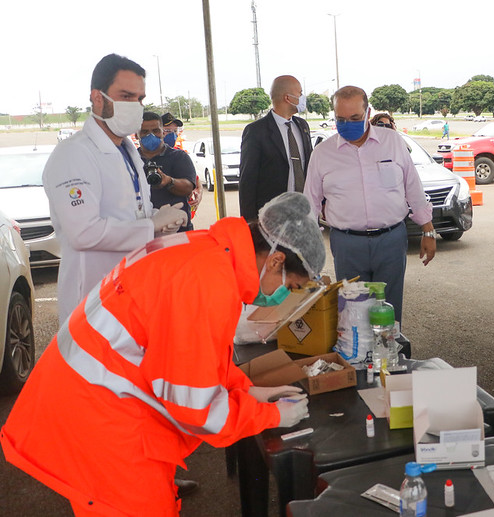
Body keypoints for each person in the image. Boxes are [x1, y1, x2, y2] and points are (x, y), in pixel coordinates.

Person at [0, 192, 324, 516]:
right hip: (101, 418)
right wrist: (272, 416)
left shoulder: (207, 250)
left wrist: (247, 389)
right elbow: (196, 410)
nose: (283, 296)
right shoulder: (207, 283)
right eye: (292, 286)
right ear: (276, 261)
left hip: (95, 395)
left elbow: (193, 355)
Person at [42, 53, 187, 326]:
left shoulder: (127, 150)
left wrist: (157, 218)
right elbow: (84, 233)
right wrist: (150, 227)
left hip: (130, 288)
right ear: (98, 98)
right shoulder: (73, 154)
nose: (136, 106)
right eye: (126, 96)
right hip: (93, 298)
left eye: (140, 99)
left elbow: (127, 210)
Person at [304, 85, 435, 323]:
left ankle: (393, 357)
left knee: (390, 311)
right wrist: (307, 252)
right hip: (346, 244)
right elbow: (310, 203)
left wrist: (429, 231)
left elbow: (413, 187)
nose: (348, 124)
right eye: (340, 119)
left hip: (391, 240)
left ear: (368, 112)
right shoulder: (322, 154)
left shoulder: (392, 141)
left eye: (354, 118)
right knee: (354, 315)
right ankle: (357, 360)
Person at [239, 75, 312, 222]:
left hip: (303, 214)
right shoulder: (256, 131)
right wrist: (250, 222)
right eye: (300, 93)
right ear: (288, 98)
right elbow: (248, 180)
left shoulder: (302, 126)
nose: (303, 97)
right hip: (272, 217)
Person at [137, 112, 197, 231]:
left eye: (155, 131)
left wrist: (169, 181)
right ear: (136, 134)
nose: (151, 135)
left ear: (163, 132)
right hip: (142, 232)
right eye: (144, 132)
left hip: (177, 230)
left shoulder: (179, 157)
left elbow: (188, 188)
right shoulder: (130, 160)